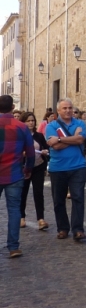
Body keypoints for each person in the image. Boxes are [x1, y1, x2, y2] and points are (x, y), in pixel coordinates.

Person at [46, 98, 86, 241]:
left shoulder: (80, 123)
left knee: (78, 198)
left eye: (70, 108)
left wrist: (59, 139)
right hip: (58, 168)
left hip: (78, 167)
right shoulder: (51, 126)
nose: (68, 110)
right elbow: (55, 146)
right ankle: (63, 228)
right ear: (58, 111)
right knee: (59, 200)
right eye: (64, 108)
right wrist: (73, 138)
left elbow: (80, 140)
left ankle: (78, 229)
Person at [0, 96, 34, 257]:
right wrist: (28, 169)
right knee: (14, 210)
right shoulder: (21, 127)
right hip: (14, 173)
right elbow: (31, 152)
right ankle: (13, 246)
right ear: (13, 107)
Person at [19, 112, 49, 230]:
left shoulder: (39, 136)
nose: (31, 123)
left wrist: (45, 151)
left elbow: (45, 147)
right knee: (23, 192)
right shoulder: (19, 135)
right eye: (28, 121)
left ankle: (40, 219)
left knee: (38, 192)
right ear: (23, 122)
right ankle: (21, 217)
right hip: (23, 167)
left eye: (32, 120)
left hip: (38, 166)